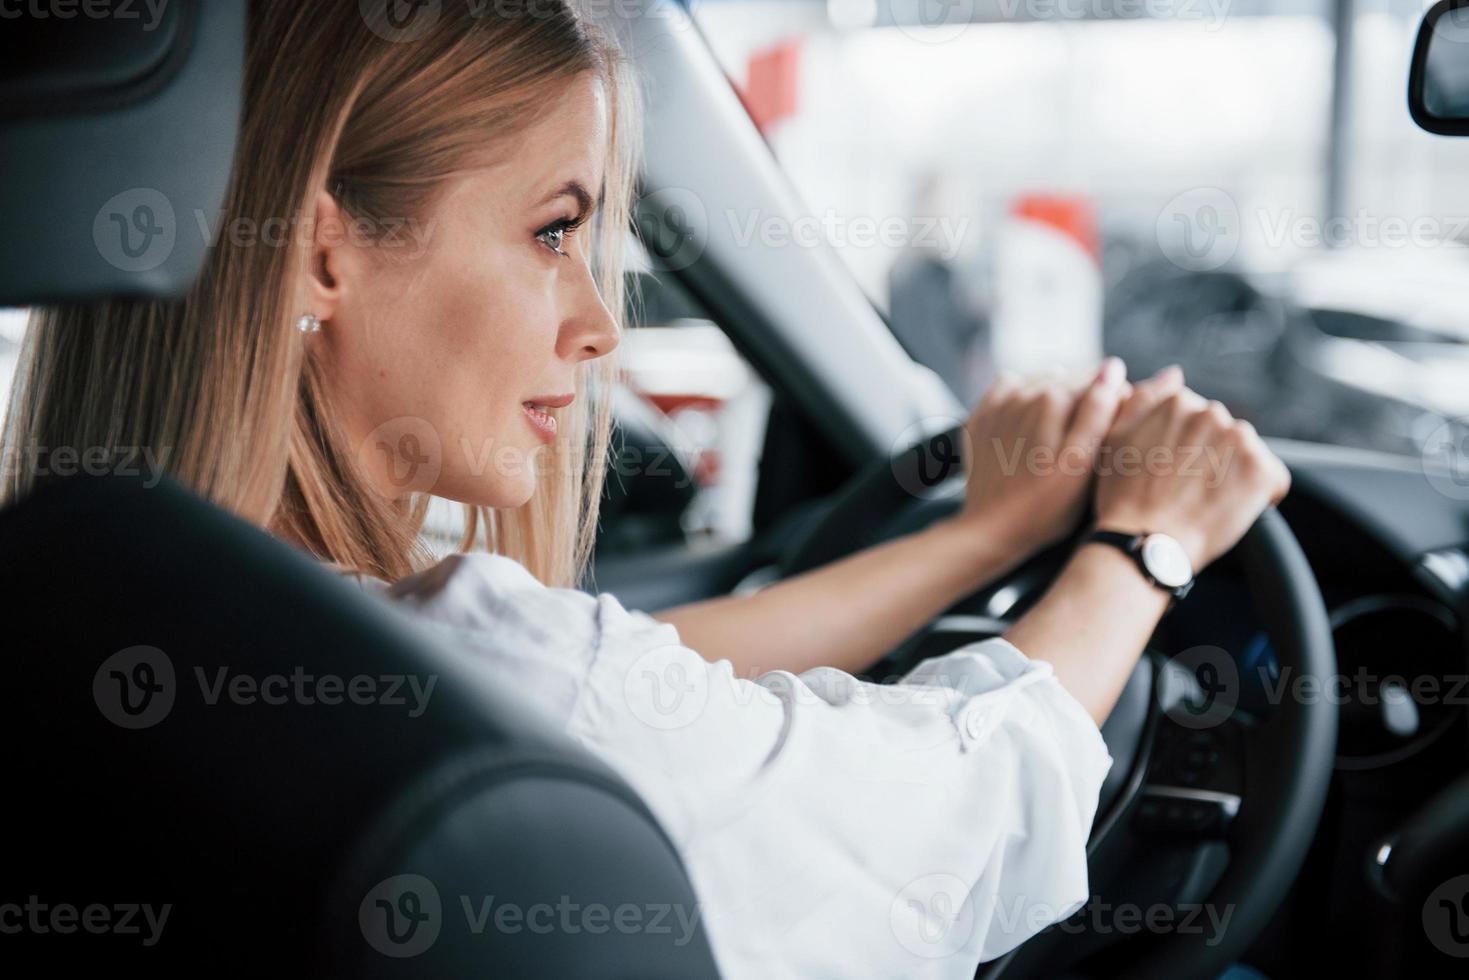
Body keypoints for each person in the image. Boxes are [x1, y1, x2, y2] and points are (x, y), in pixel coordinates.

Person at [0, 3, 1290, 976]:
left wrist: (986, 538)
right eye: (553, 232)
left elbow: (635, 672)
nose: (597, 325)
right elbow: (956, 815)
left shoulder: (123, 618)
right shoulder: (491, 670)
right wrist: (1148, 545)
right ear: (323, 251)